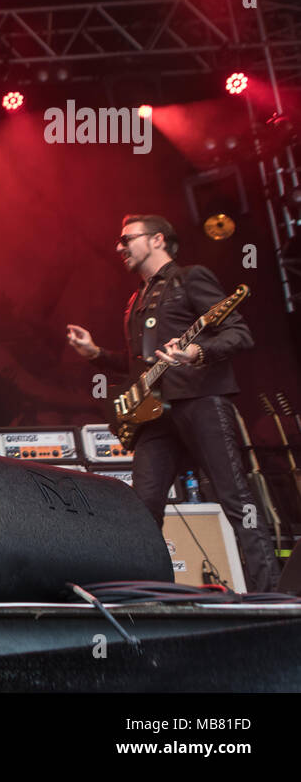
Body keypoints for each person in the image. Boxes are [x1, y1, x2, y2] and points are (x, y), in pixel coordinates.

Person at [66, 214, 279, 591]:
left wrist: (196, 351)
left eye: (126, 238)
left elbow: (240, 333)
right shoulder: (136, 299)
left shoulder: (190, 278)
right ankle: (151, 596)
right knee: (144, 508)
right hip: (155, 417)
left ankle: (270, 598)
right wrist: (95, 353)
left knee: (235, 498)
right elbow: (139, 366)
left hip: (200, 401)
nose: (119, 247)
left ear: (158, 240)